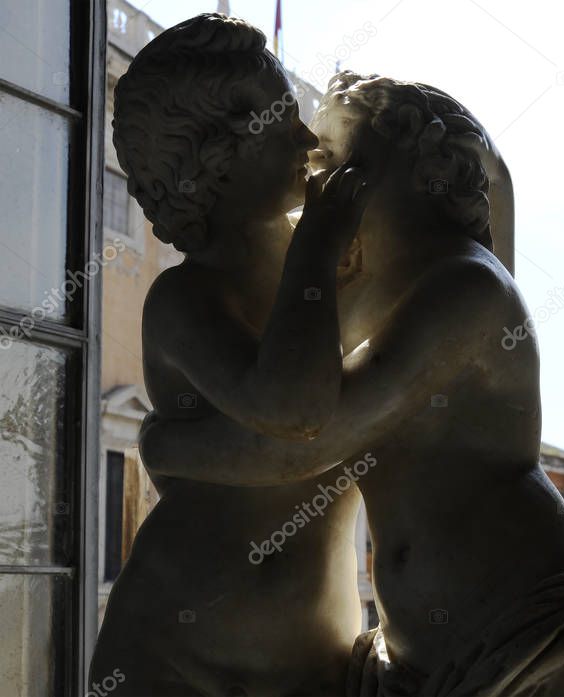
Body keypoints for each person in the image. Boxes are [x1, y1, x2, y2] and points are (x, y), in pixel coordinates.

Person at [140, 72, 564, 695]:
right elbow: (283, 388)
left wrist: (166, 446)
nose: (322, 185)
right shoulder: (373, 295)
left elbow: (308, 437)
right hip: (419, 659)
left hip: (532, 632)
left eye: (343, 164)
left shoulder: (465, 288)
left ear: (423, 171)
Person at [89, 14, 371, 695]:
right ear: (210, 154)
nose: (306, 141)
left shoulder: (327, 272)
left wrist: (171, 447)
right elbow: (296, 412)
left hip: (310, 658)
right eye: (281, 123)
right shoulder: (186, 297)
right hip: (176, 657)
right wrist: (316, 248)